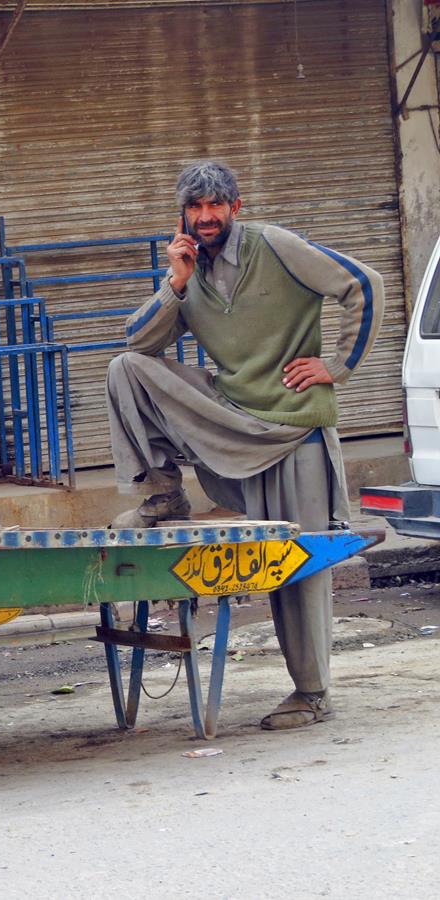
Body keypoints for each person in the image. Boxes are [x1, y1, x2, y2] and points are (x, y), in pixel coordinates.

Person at [106, 160, 384, 731]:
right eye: (196, 207)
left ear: (237, 206)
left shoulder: (275, 246)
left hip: (291, 427)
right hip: (230, 419)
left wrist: (337, 365)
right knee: (126, 370)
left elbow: (365, 285)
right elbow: (137, 341)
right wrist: (175, 283)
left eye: (216, 205)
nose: (206, 217)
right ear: (184, 213)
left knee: (297, 566)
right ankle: (162, 497)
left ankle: (312, 694)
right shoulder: (190, 273)